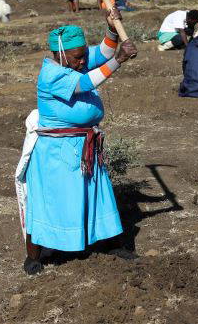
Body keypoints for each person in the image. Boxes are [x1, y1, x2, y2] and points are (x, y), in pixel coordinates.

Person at [17, 15, 138, 275]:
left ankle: (109, 243)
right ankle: (34, 257)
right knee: (52, 202)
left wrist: (110, 27)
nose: (82, 61)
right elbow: (86, 82)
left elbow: (103, 53)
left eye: (83, 55)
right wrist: (120, 60)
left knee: (97, 197)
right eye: (76, 57)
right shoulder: (51, 74)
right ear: (60, 54)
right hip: (56, 153)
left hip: (85, 147)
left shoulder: (75, 61)